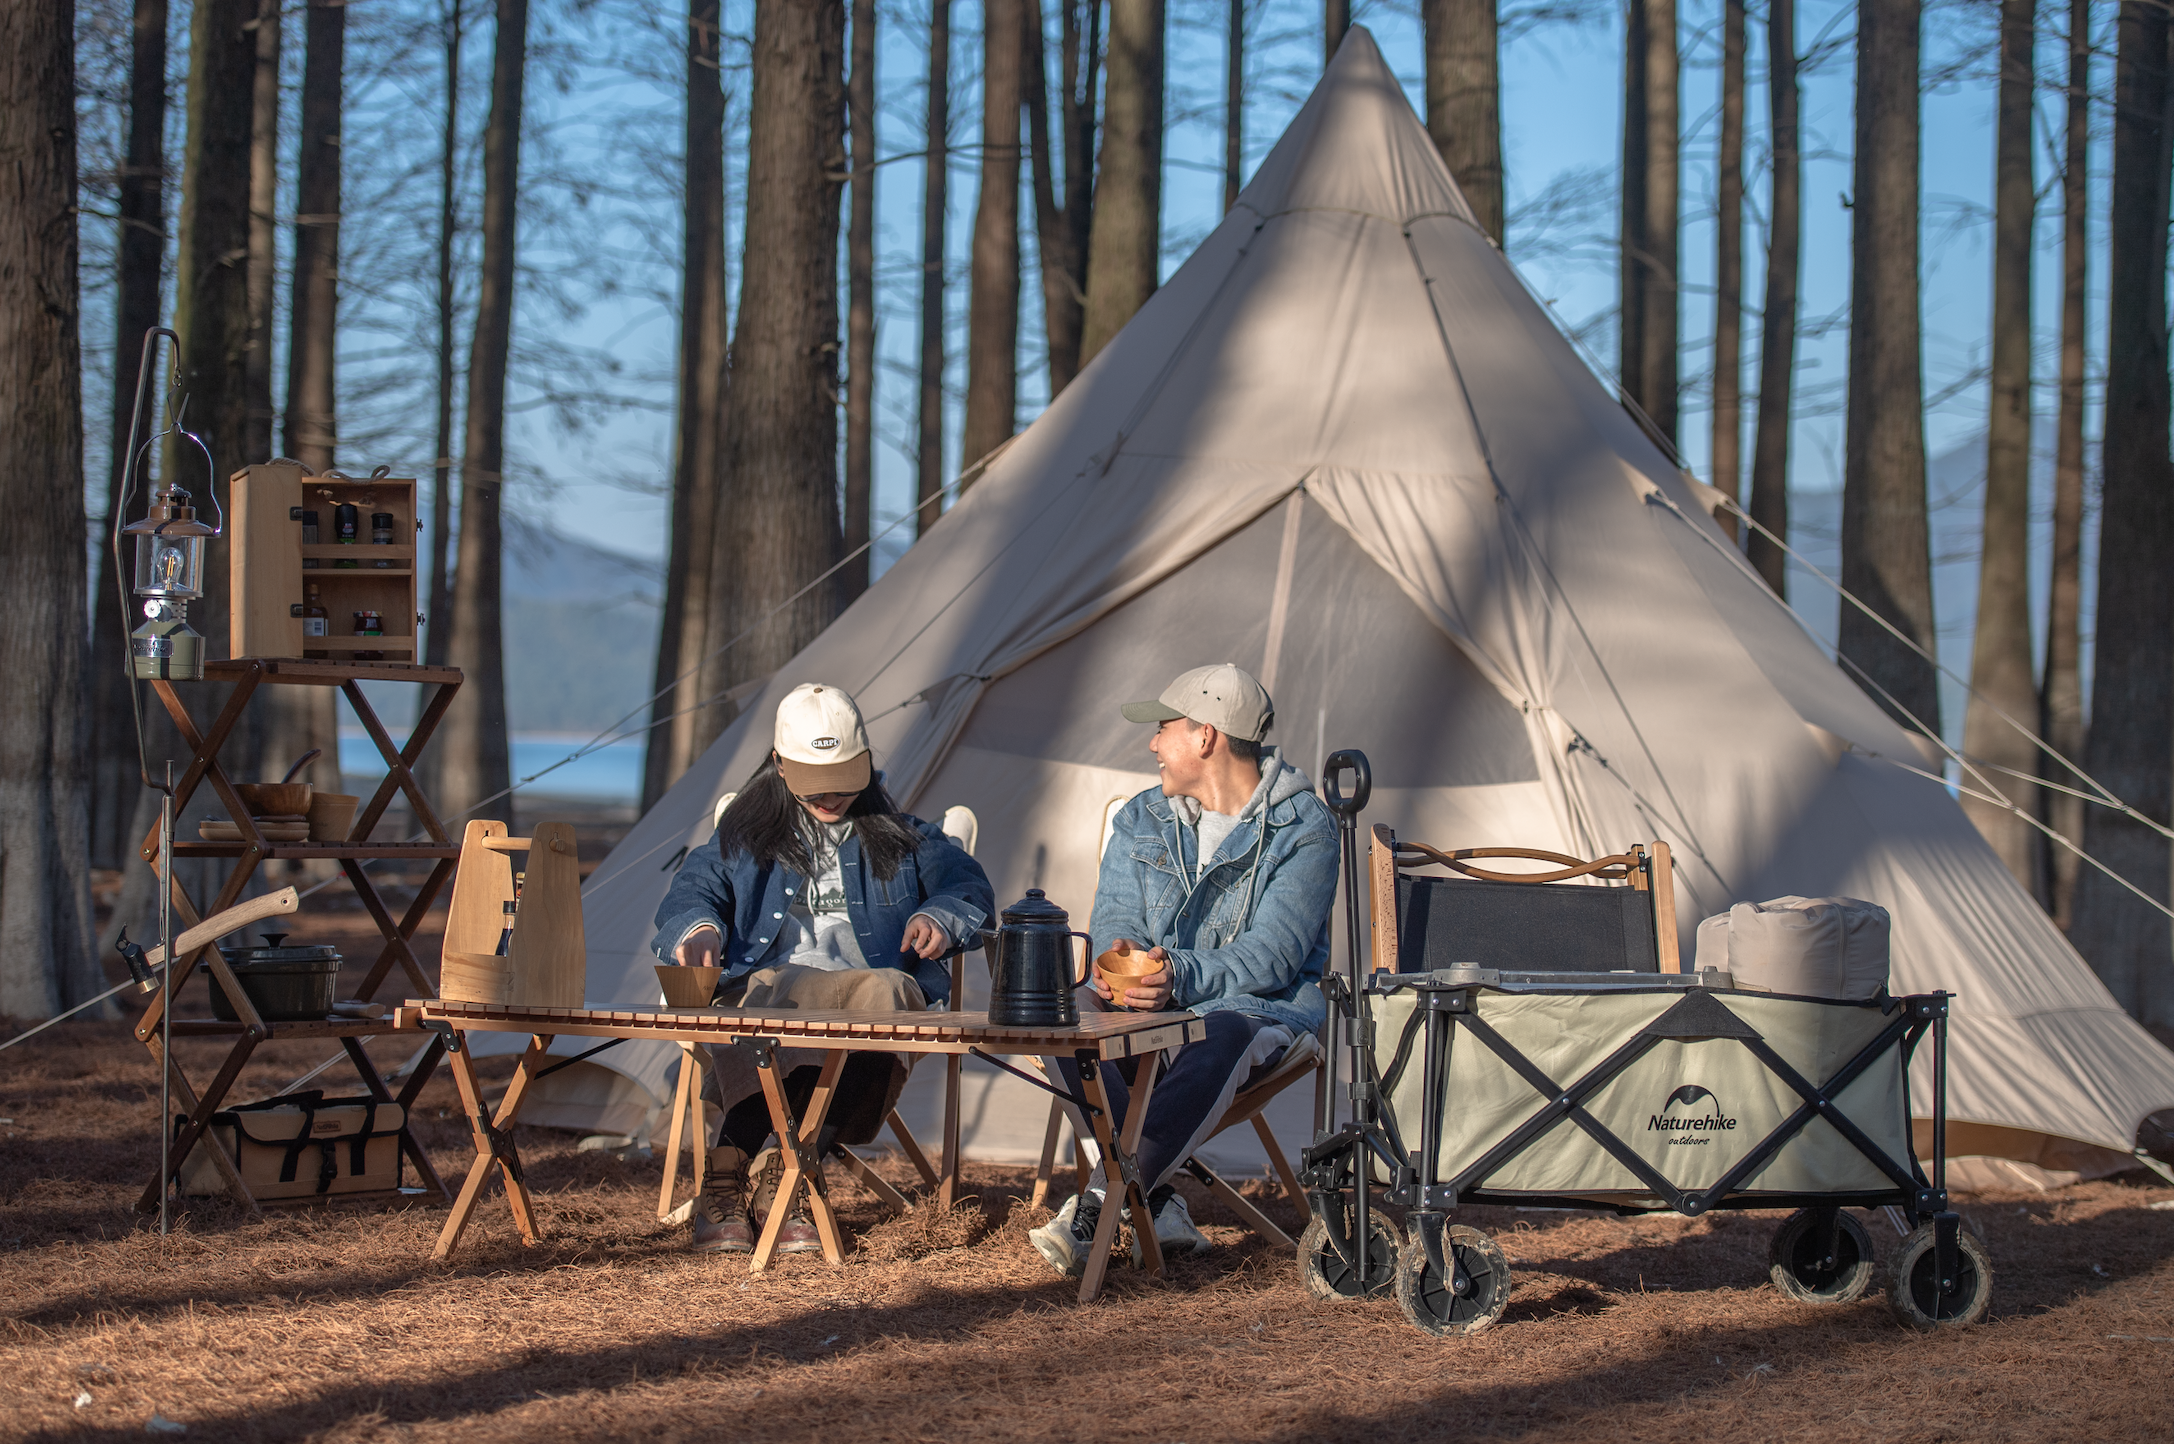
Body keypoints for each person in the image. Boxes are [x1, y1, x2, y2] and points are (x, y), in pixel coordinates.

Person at [653, 682, 994, 1254]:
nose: (831, 796)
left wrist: (941, 914)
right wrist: (700, 929)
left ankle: (764, 1169)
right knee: (776, 997)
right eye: (816, 783)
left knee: (891, 994)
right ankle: (775, 1173)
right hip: (772, 985)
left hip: (867, 987)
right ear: (780, 767)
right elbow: (693, 888)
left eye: (843, 780)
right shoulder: (745, 833)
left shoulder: (902, 835)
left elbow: (968, 884)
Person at [1028, 663, 1337, 1277]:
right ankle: (1154, 1199)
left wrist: (1179, 978)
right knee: (1059, 1012)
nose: (1151, 744)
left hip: (1257, 1011)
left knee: (1220, 1028)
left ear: (1205, 737)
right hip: (1150, 1007)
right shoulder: (1141, 817)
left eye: (1163, 729)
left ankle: (1102, 1200)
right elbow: (1117, 920)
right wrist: (1124, 970)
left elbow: (1271, 959)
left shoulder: (1305, 829)